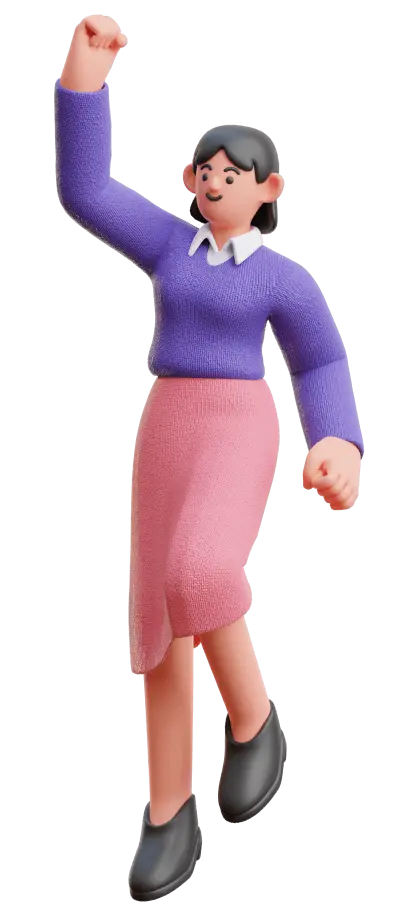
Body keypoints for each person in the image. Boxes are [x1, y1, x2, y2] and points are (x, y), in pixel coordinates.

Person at [56, 14, 363, 902]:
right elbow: (86, 190)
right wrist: (86, 80)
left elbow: (320, 362)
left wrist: (336, 441)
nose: (216, 184)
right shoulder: (169, 245)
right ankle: (166, 811)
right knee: (157, 622)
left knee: (200, 570)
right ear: (191, 180)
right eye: (206, 172)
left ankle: (255, 717)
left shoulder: (281, 276)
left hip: (236, 425)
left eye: (234, 174)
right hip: (166, 430)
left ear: (269, 188)